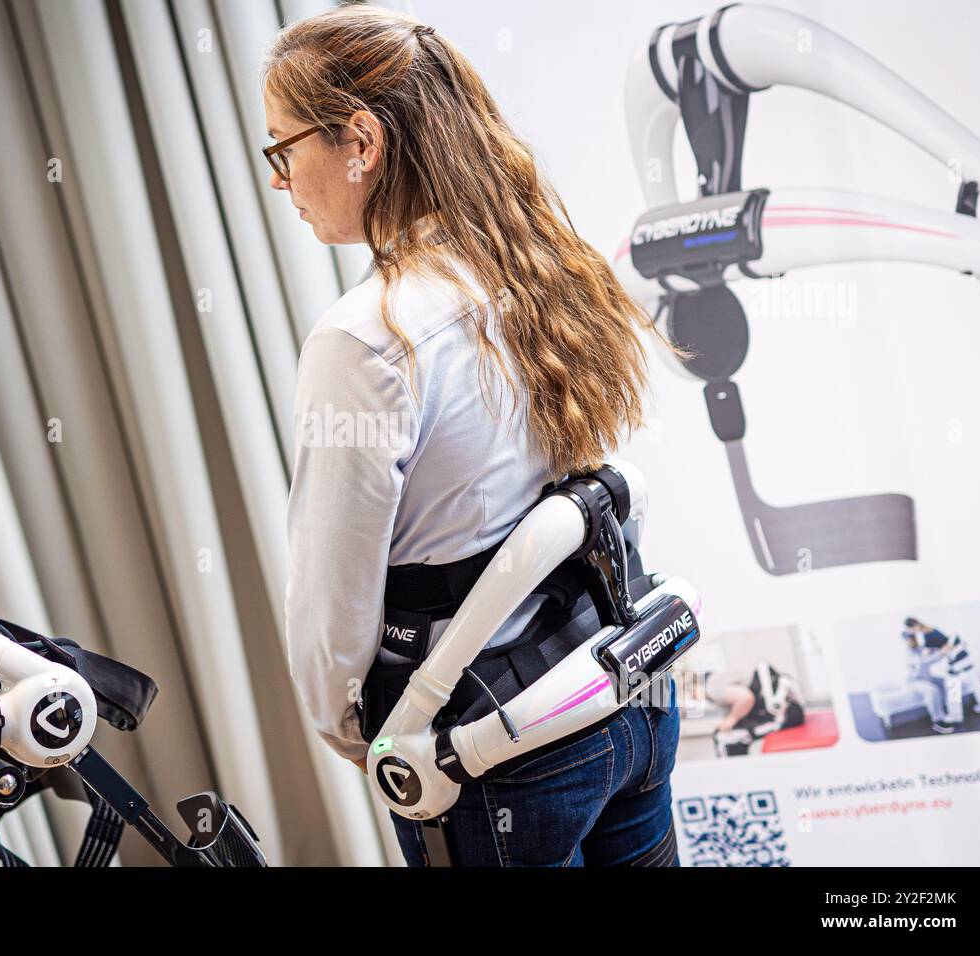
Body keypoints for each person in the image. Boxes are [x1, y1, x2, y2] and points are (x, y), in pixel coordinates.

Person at [266, 6, 687, 866]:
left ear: (360, 141)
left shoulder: (363, 340)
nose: (280, 179)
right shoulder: (538, 264)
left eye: (284, 148)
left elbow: (331, 605)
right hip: (624, 694)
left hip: (496, 756)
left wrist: (366, 735)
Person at [903, 617, 980, 732]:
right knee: (975, 683)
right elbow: (945, 645)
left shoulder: (926, 637)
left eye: (912, 630)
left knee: (952, 685)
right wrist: (945, 649)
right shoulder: (932, 629)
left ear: (915, 625)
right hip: (964, 657)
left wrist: (941, 651)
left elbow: (933, 655)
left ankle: (956, 716)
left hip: (956, 661)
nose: (913, 633)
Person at [708, 660, 805, 757]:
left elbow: (746, 698)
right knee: (730, 733)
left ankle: (735, 766)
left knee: (723, 737)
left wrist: (731, 720)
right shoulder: (717, 680)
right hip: (784, 708)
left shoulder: (711, 688)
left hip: (785, 713)